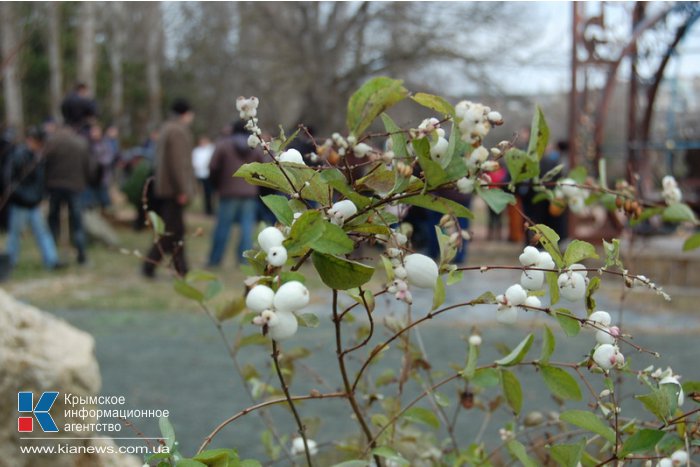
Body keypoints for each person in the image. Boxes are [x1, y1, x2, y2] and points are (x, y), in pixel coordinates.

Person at [142, 98, 196, 278]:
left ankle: (181, 268)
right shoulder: (178, 131)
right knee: (171, 231)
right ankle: (150, 266)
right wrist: (182, 189)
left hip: (165, 188)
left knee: (175, 231)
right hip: (173, 190)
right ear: (185, 113)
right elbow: (178, 163)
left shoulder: (166, 128)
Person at [207, 121, 263, 267]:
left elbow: (213, 167)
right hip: (249, 193)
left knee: (222, 228)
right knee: (246, 229)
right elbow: (263, 167)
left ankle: (215, 260)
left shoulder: (223, 144)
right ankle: (244, 261)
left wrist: (216, 185)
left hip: (228, 192)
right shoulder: (254, 147)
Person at [5, 127, 62, 270]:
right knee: (15, 234)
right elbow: (10, 180)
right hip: (20, 203)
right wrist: (23, 195)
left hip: (33, 203)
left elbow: (39, 180)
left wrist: (39, 195)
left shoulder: (38, 157)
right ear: (31, 141)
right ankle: (10, 262)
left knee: (42, 232)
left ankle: (52, 260)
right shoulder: (18, 156)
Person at [44, 119, 92, 265]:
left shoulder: (52, 142)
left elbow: (44, 164)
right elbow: (87, 166)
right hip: (75, 187)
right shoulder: (81, 143)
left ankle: (51, 255)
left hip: (55, 186)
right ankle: (82, 256)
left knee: (53, 221)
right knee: (77, 222)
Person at [192, 135, 215, 215]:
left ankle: (210, 209)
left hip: (208, 174)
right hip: (199, 174)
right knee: (200, 192)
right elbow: (194, 161)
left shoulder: (211, 149)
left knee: (209, 193)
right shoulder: (196, 151)